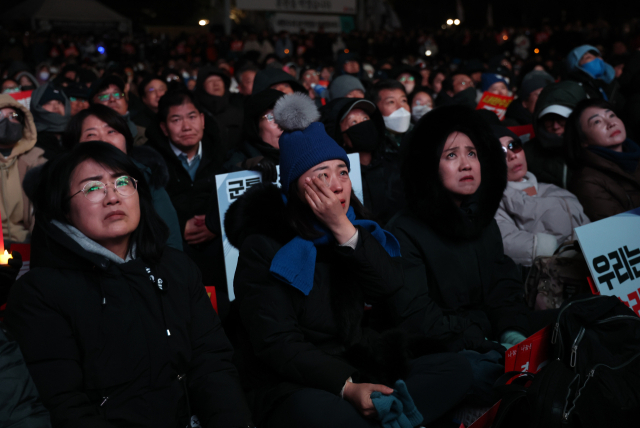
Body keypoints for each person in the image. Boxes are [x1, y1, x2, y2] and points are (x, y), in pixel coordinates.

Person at [226, 93, 472, 428]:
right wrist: (347, 387)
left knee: (455, 369)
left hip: (357, 357)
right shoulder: (264, 243)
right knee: (327, 415)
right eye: (322, 175)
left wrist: (344, 230)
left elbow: (389, 286)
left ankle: (387, 414)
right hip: (297, 379)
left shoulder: (353, 227)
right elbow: (278, 344)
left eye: (342, 172)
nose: (338, 185)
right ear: (298, 187)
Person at [5, 142, 253, 428]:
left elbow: (212, 365)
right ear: (63, 208)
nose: (113, 197)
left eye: (123, 182)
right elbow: (62, 403)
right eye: (92, 188)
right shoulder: (40, 294)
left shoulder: (176, 268)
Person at [385, 105, 533, 399]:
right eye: (451, 155)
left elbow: (503, 284)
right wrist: (485, 339)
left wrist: (511, 331)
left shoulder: (482, 218)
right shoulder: (402, 232)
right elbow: (418, 319)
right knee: (486, 375)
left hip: (489, 337)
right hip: (444, 352)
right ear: (429, 166)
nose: (466, 165)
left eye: (472, 153)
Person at [148, 89, 229, 313]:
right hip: (173, 249)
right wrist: (179, 225)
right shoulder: (151, 161)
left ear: (202, 120)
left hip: (220, 248)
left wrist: (215, 224)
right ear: (164, 127)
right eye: (176, 119)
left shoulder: (225, 153)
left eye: (192, 117)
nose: (186, 126)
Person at [62, 104, 183, 250]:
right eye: (91, 135)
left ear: (126, 138)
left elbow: (171, 241)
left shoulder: (147, 178)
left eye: (111, 131)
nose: (104, 141)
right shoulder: (65, 187)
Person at [493, 126, 590, 267]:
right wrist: (559, 252)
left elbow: (586, 226)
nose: (512, 155)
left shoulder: (551, 188)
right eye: (500, 153)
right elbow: (508, 242)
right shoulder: (496, 203)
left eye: (514, 146)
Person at [322, 97, 405, 224]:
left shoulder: (396, 161)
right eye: (353, 122)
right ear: (341, 134)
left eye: (365, 119)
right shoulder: (338, 177)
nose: (363, 125)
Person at [564, 99, 640, 221]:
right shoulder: (586, 182)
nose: (611, 123)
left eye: (611, 115)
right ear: (583, 140)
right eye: (597, 121)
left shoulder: (636, 157)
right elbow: (622, 229)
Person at [0, 94, 46, 244]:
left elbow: (44, 211)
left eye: (13, 115)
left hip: (26, 244)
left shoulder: (37, 162)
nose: (6, 120)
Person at [524, 81, 587, 188]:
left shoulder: (594, 148)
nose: (555, 126)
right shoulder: (527, 154)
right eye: (548, 119)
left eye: (561, 119)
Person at [223, 88, 284, 181]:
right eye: (272, 117)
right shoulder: (237, 158)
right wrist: (247, 166)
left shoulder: (306, 153)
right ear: (254, 125)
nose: (282, 124)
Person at [89, 75, 147, 146]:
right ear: (92, 103)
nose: (112, 99)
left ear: (126, 103)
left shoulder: (145, 135)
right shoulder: (88, 138)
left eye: (117, 94)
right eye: (104, 96)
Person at [195, 66, 244, 149]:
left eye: (219, 80)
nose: (216, 84)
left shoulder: (238, 105)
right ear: (202, 85)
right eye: (210, 81)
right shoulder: (196, 111)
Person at [30, 82, 71, 160]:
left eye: (59, 102)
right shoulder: (31, 139)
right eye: (48, 103)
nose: (56, 107)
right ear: (37, 107)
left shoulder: (76, 133)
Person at [368, 80, 412, 149]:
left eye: (403, 100)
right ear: (375, 108)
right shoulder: (370, 142)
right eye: (391, 102)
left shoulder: (420, 135)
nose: (401, 107)